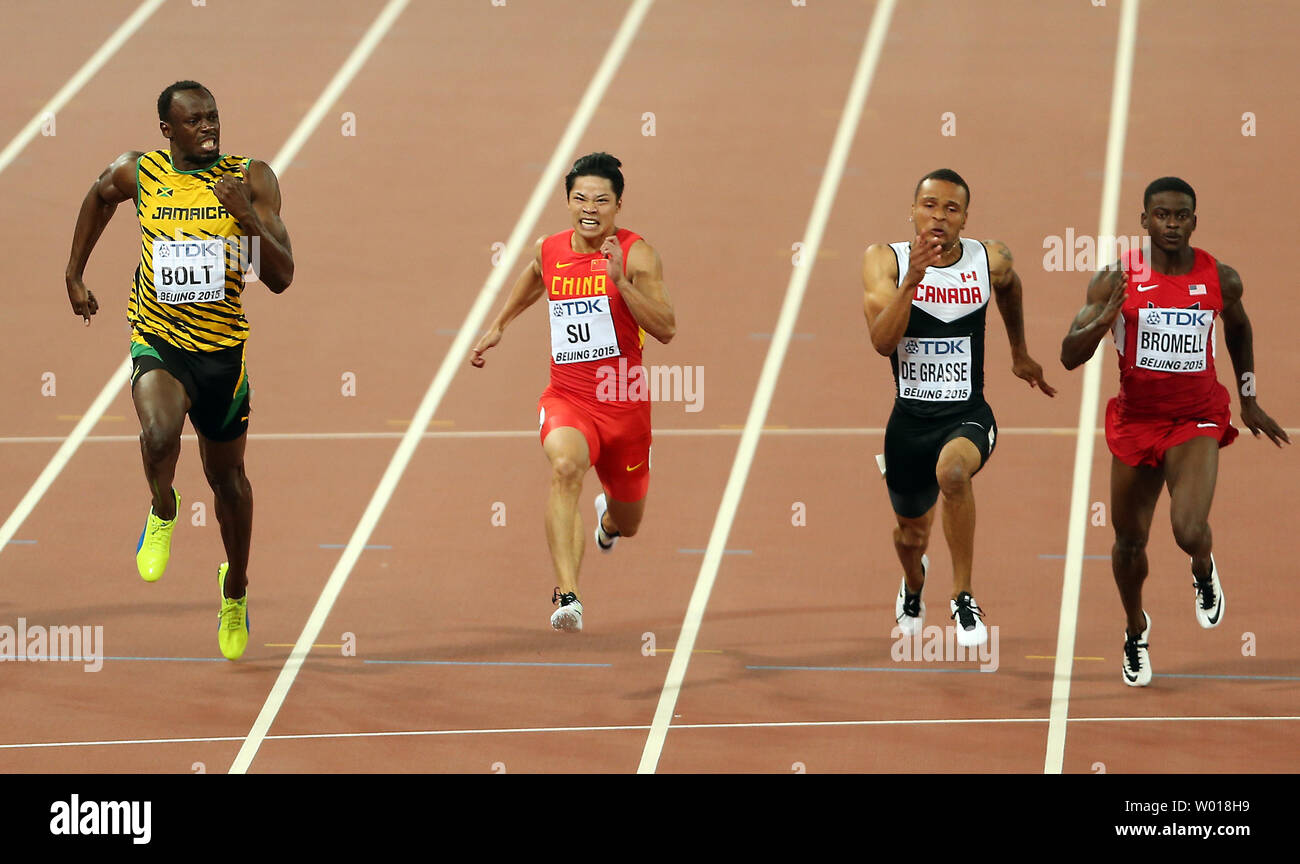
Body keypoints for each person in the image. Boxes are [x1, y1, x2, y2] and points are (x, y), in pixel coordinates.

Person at [63, 81, 294, 660]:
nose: (209, 127)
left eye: (214, 117)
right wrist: (74, 272)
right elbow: (98, 196)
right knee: (160, 433)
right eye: (195, 121)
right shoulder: (140, 173)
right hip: (159, 341)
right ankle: (163, 507)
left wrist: (245, 219)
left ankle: (235, 586)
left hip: (223, 358)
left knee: (228, 483)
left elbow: (282, 276)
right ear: (167, 129)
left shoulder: (252, 178)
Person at [1060, 176, 1288, 687]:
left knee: (1187, 530)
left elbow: (1240, 328)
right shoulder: (1115, 280)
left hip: (1197, 418)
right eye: (1161, 215)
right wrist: (1104, 320)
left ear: (1194, 221)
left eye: (1181, 215)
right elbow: (1068, 356)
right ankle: (1135, 628)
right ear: (1144, 221)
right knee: (1128, 543)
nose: (1171, 224)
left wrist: (1248, 397)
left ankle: (1203, 568)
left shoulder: (1219, 278)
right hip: (1136, 422)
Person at [470, 152, 675, 631]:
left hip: (625, 406)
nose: (590, 208)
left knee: (630, 523)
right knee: (565, 468)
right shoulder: (551, 248)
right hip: (569, 399)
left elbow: (666, 328)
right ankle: (568, 596)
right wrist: (499, 325)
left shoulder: (638, 254)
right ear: (567, 201)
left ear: (618, 205)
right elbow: (535, 276)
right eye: (580, 198)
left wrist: (621, 282)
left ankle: (608, 522)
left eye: (601, 200)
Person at [862, 169, 1056, 648]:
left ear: (966, 219)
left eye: (951, 209)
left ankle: (963, 593)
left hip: (967, 414)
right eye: (929, 205)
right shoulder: (884, 261)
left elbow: (1009, 286)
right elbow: (883, 344)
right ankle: (913, 585)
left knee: (953, 475)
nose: (938, 217)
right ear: (911, 210)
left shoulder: (989, 259)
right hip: (908, 424)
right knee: (911, 537)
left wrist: (1019, 351)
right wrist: (912, 281)